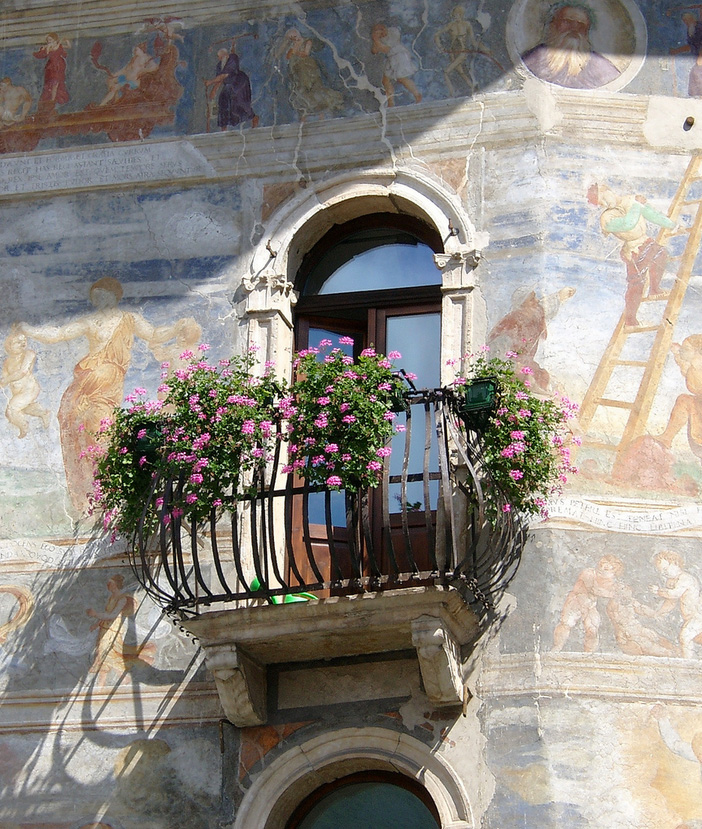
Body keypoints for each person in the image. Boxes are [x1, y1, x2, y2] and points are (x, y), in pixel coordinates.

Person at [19, 277, 183, 512]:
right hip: (84, 382)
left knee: (101, 429)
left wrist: (177, 328)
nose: (98, 300)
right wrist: (29, 329)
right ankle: (89, 490)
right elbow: (58, 333)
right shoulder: (90, 322)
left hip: (107, 386)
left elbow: (155, 334)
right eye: (95, 295)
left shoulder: (129, 319)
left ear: (115, 295)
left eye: (103, 294)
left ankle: (108, 488)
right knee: (78, 428)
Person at [588, 183, 675, 327]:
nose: (605, 204)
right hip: (633, 250)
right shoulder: (606, 217)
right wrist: (637, 206)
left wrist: (673, 225)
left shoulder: (631, 200)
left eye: (603, 198)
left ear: (608, 190)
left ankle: (654, 289)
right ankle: (630, 320)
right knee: (636, 284)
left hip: (645, 242)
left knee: (661, 254)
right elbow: (628, 224)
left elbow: (653, 215)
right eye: (601, 203)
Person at [488, 286, 575, 392]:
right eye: (532, 299)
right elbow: (496, 360)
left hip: (526, 368)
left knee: (549, 382)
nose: (537, 301)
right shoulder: (508, 327)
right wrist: (515, 368)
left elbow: (543, 307)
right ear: (522, 305)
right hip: (510, 377)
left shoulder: (530, 316)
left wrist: (559, 296)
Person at [521, 4, 621, 89]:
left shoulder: (600, 66)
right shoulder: (533, 59)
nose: (574, 29)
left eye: (581, 25)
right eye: (567, 22)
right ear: (552, 25)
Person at [86, 574, 155, 688]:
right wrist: (96, 624)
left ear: (117, 585)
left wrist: (95, 614)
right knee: (108, 654)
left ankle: (103, 683)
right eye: (109, 584)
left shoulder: (122, 599)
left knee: (105, 654)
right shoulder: (111, 598)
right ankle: (123, 678)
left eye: (111, 584)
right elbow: (106, 613)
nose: (109, 586)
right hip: (104, 629)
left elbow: (113, 615)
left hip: (113, 629)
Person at [552, 555, 621, 652]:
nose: (605, 569)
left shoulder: (610, 581)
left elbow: (616, 591)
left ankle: (588, 654)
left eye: (611, 569)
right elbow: (593, 589)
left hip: (590, 605)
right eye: (604, 565)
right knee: (566, 624)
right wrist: (612, 593)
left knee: (592, 629)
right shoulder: (589, 573)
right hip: (575, 602)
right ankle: (557, 647)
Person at [649, 550, 702, 659]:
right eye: (662, 571)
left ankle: (688, 663)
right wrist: (659, 613)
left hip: (698, 616)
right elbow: (671, 602)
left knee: (685, 636)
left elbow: (675, 594)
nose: (664, 573)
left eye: (665, 569)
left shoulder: (685, 578)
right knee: (688, 638)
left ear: (675, 563)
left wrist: (659, 591)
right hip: (689, 618)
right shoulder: (671, 581)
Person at [282, 29, 343, 119]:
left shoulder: (307, 41)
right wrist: (293, 49)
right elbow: (288, 56)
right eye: (291, 38)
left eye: (295, 37)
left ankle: (322, 114)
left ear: (299, 35)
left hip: (308, 68)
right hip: (298, 70)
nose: (294, 39)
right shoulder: (293, 45)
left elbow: (305, 53)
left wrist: (295, 50)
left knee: (316, 89)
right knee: (301, 92)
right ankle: (303, 117)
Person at [1, 328, 50, 439]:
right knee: (25, 408)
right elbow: (4, 376)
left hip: (29, 389)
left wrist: (6, 380)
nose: (23, 343)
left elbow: (23, 371)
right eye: (18, 342)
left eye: (24, 341)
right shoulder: (7, 361)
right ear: (9, 346)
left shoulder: (28, 354)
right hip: (18, 392)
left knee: (12, 410)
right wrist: (2, 381)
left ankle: (23, 426)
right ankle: (43, 413)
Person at [434, 6, 489, 96]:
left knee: (446, 72)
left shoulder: (466, 24)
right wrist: (440, 47)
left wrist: (484, 49)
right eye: (455, 14)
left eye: (458, 14)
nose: (456, 16)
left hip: (462, 52)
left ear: (462, 15)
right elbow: (437, 35)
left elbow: (473, 40)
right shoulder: (451, 25)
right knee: (461, 72)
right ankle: (473, 88)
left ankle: (452, 93)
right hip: (452, 53)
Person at [205, 42, 257, 129]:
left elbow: (224, 75)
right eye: (219, 57)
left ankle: (254, 118)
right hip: (228, 85)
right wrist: (213, 91)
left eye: (222, 57)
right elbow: (220, 79)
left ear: (226, 55)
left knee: (239, 101)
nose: (221, 59)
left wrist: (209, 82)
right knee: (223, 101)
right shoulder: (219, 65)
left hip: (239, 83)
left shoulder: (233, 58)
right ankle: (223, 127)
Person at [371, 23, 422, 106]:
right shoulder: (379, 39)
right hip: (391, 58)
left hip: (399, 56)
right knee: (385, 80)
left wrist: (377, 41)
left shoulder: (393, 33)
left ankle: (417, 95)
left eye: (380, 30)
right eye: (376, 32)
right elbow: (374, 51)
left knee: (401, 78)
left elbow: (386, 49)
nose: (379, 33)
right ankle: (390, 101)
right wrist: (375, 40)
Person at [33, 33, 70, 115]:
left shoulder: (57, 45)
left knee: (57, 82)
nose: (49, 41)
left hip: (59, 65)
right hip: (52, 67)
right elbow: (48, 52)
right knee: (54, 83)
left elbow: (68, 47)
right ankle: (51, 101)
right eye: (48, 40)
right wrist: (59, 42)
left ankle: (52, 100)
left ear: (54, 39)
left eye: (50, 39)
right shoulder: (48, 46)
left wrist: (66, 41)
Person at [670, 12, 702, 97]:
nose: (686, 22)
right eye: (685, 21)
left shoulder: (699, 28)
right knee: (695, 74)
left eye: (687, 20)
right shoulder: (691, 30)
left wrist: (700, 59)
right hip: (698, 57)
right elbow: (691, 46)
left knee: (696, 73)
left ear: (692, 19)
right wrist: (676, 51)